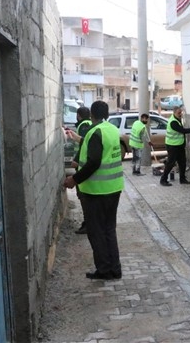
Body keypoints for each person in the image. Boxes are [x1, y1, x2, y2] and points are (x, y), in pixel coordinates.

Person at [64, 100, 124, 280]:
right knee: (109, 230)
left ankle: (104, 270)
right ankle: (115, 268)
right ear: (106, 114)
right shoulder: (111, 129)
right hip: (114, 188)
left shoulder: (94, 132)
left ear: (91, 115)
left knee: (96, 231)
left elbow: (94, 162)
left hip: (97, 191)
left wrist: (74, 179)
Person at [160, 106, 190, 186]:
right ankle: (163, 179)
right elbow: (183, 131)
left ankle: (182, 179)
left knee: (182, 163)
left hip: (179, 145)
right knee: (170, 163)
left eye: (181, 112)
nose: (180, 114)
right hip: (172, 146)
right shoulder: (173, 122)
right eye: (179, 113)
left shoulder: (177, 119)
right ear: (174, 113)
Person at [71, 106, 92, 234]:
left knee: (83, 196)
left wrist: (77, 160)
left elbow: (84, 144)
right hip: (84, 166)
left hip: (82, 167)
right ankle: (88, 222)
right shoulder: (88, 124)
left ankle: (88, 223)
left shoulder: (84, 126)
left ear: (78, 115)